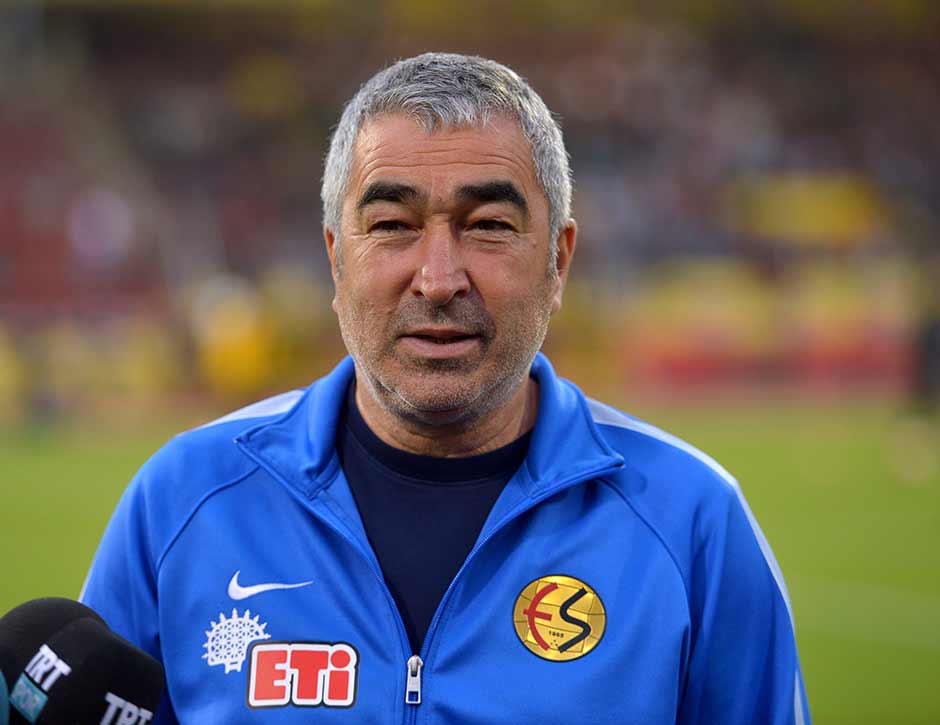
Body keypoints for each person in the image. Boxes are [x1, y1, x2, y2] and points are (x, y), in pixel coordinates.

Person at [81, 52, 810, 724]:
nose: (437, 279)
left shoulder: (692, 524)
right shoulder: (181, 503)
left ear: (558, 261)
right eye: (391, 224)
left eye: (488, 225)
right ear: (336, 259)